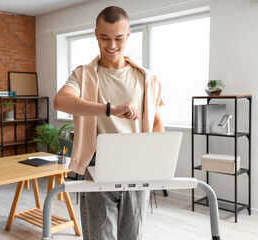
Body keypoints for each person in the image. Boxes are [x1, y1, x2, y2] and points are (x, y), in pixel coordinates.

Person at [54, 6, 164, 240]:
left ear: (128, 35)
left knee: (132, 236)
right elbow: (61, 101)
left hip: (137, 166)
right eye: (104, 38)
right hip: (97, 166)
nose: (111, 45)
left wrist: (155, 162)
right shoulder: (82, 75)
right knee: (99, 237)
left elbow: (156, 123)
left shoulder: (147, 78)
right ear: (95, 34)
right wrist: (110, 109)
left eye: (118, 38)